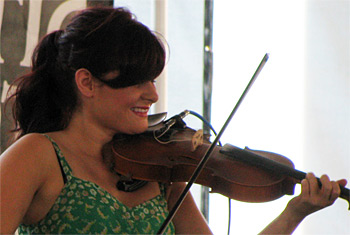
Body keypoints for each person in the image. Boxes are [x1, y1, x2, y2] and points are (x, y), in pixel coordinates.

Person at [0, 7, 346, 235]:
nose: (152, 95)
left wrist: (294, 213)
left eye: (153, 80)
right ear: (87, 82)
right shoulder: (38, 154)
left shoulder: (158, 172)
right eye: (137, 81)